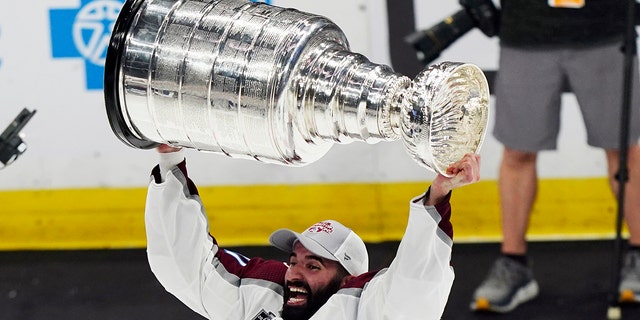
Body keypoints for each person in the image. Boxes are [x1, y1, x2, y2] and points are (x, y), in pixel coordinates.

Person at [144, 144, 480, 320]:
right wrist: (169, 159)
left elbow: (415, 285)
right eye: (294, 260)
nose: (294, 273)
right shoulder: (262, 296)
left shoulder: (365, 309)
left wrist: (437, 195)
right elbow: (186, 266)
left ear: (346, 279)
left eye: (313, 265)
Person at [470, 0, 640, 313]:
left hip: (606, 30)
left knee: (623, 149)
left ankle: (639, 253)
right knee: (518, 151)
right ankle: (514, 263)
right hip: (526, 32)